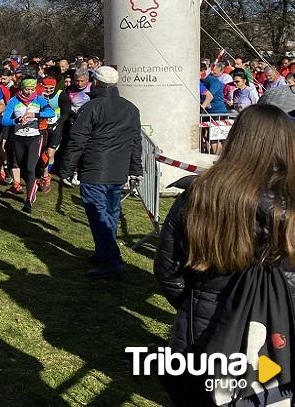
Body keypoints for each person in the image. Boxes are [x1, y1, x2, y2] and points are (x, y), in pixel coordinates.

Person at [154, 105, 295, 405]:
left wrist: (196, 300)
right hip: (275, 325)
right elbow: (168, 270)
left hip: (204, 325)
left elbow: (168, 271)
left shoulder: (200, 194)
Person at [60, 66, 143, 278]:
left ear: (95, 83)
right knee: (110, 214)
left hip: (95, 169)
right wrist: (135, 169)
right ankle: (104, 253)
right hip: (118, 170)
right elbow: (136, 142)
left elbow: (77, 139)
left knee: (98, 214)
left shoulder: (92, 107)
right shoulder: (131, 108)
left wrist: (67, 168)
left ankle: (112, 260)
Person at [1, 78, 56, 213]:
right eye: (27, 89)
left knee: (30, 168)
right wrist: (17, 119)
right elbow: (4, 120)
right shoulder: (14, 101)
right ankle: (31, 187)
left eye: (32, 89)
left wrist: (35, 114)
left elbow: (51, 113)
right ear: (21, 88)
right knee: (22, 166)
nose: (29, 92)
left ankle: (28, 201)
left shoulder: (39, 100)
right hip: (18, 137)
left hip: (35, 137)